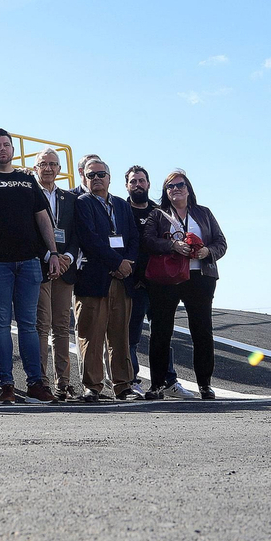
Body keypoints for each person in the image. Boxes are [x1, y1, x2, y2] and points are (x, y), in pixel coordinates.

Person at [0, 129, 60, 404]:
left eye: (6, 145)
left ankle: (35, 383)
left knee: (29, 325)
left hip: (29, 263)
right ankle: (7, 384)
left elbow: (43, 219)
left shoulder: (27, 180)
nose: (2, 149)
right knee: (1, 324)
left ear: (13, 150)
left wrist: (53, 252)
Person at [140, 169, 228, 401]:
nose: (175, 189)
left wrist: (208, 251)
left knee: (202, 332)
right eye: (170, 186)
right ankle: (157, 385)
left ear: (188, 189)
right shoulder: (158, 215)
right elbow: (147, 240)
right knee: (160, 332)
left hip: (200, 277)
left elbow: (221, 242)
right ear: (165, 192)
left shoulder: (204, 213)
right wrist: (172, 247)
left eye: (180, 185)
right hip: (166, 280)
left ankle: (205, 385)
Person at [71, 157, 138, 402]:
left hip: (122, 279)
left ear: (109, 178)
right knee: (91, 335)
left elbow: (133, 238)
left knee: (120, 336)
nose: (97, 179)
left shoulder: (122, 205)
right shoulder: (82, 203)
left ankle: (123, 386)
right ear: (84, 178)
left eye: (101, 174)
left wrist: (127, 264)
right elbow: (89, 239)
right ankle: (92, 387)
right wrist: (115, 263)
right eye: (91, 175)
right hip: (93, 279)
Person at [33, 149, 78, 400]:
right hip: (40, 269)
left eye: (53, 164)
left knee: (61, 327)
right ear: (35, 168)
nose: (48, 168)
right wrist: (48, 256)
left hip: (65, 269)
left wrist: (67, 259)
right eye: (43, 164)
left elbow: (75, 234)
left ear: (60, 169)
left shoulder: (69, 198)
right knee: (42, 325)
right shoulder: (29, 193)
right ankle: (42, 381)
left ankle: (64, 383)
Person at [122, 164, 153, 389]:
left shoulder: (160, 211)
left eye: (141, 180)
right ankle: (132, 379)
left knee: (162, 333)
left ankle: (166, 380)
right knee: (131, 335)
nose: (138, 185)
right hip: (132, 283)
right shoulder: (120, 210)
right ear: (126, 185)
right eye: (133, 181)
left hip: (159, 283)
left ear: (148, 184)